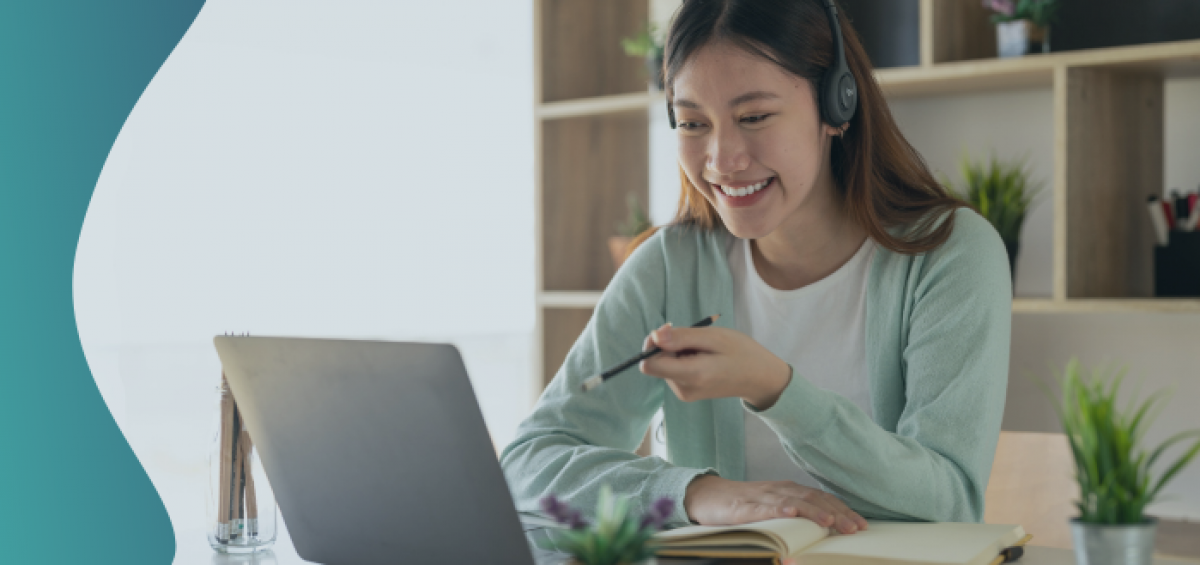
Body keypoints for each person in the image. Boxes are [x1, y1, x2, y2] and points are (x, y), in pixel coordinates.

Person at [501, 0, 1011, 538]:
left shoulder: (950, 255)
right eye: (694, 122)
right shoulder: (670, 266)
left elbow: (950, 503)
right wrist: (699, 494)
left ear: (837, 106)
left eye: (754, 117)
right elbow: (528, 462)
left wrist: (776, 390)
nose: (722, 159)